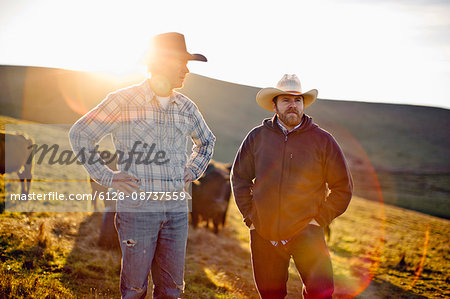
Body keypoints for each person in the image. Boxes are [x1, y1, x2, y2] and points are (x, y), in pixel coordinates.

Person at [69, 32, 215, 299]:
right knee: (135, 290)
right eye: (180, 63)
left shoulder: (186, 107)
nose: (185, 70)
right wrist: (107, 176)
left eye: (187, 64)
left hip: (176, 212)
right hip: (137, 210)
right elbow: (80, 134)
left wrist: (192, 170)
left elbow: (206, 142)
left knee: (172, 290)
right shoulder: (123, 101)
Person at [231, 74, 353, 299]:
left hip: (307, 233)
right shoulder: (257, 137)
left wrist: (318, 221)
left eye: (298, 101)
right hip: (264, 234)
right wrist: (251, 218)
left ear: (304, 105)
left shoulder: (323, 141)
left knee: (320, 294)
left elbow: (342, 187)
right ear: (274, 105)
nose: (293, 106)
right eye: (286, 100)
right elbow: (239, 178)